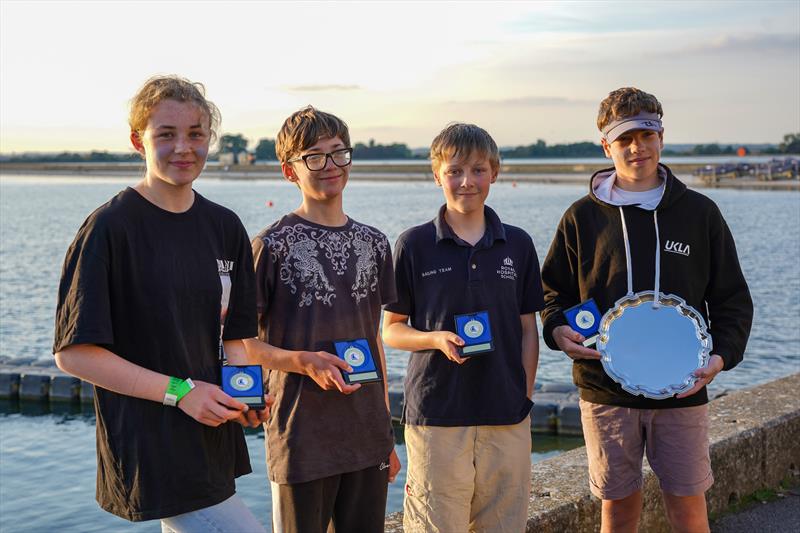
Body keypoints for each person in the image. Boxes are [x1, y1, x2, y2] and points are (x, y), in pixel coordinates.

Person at [53, 75, 269, 532]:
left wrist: (242, 392)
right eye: (166, 134)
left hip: (210, 435)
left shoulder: (223, 225)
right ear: (138, 140)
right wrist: (180, 392)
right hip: (152, 443)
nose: (183, 148)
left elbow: (235, 335)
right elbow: (73, 354)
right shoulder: (110, 229)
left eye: (196, 134)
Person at [540, 87, 753, 533]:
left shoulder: (700, 213)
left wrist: (720, 358)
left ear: (661, 136)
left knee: (689, 510)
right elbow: (550, 293)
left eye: (646, 134)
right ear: (606, 145)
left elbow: (732, 298)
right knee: (617, 512)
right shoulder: (582, 217)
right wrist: (558, 331)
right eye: (624, 138)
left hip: (683, 389)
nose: (637, 147)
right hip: (605, 391)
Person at [242, 106, 400, 533]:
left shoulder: (374, 242)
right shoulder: (271, 245)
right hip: (300, 437)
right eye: (314, 156)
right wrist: (303, 362)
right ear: (290, 171)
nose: (330, 166)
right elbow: (242, 345)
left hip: (367, 435)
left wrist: (385, 432)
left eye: (338, 153)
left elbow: (375, 341)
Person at [382, 123, 544, 532]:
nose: (466, 181)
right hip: (437, 415)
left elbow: (528, 329)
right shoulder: (413, 245)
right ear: (437, 175)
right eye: (454, 170)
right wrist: (434, 339)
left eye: (477, 169)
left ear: (495, 173)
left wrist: (522, 397)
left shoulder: (519, 244)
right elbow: (391, 330)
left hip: (506, 415)